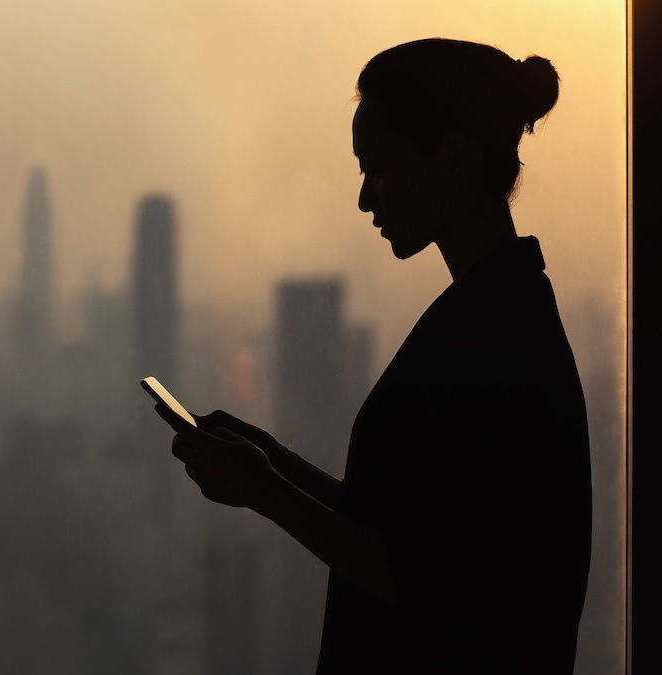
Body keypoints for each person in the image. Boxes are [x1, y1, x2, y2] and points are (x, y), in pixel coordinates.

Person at [156, 38, 592, 673]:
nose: (366, 198)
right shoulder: (489, 317)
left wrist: (266, 489)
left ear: (454, 158)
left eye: (378, 169)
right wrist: (276, 466)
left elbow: (436, 586)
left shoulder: (499, 343)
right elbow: (408, 536)